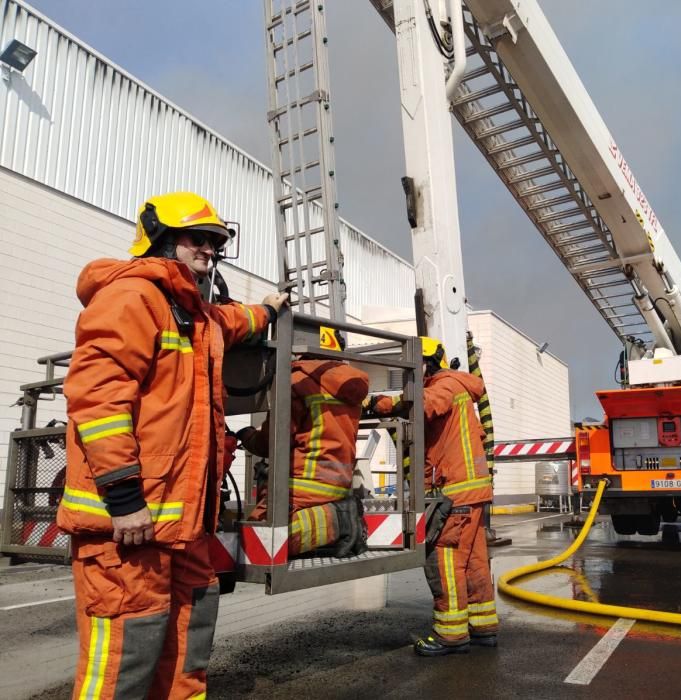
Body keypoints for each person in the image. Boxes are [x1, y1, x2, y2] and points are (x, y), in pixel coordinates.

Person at [57, 191, 288, 699]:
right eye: (196, 239)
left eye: (215, 242)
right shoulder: (131, 297)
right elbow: (97, 402)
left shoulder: (196, 315)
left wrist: (268, 309)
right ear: (161, 241)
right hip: (130, 526)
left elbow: (233, 321)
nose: (208, 250)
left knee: (188, 644)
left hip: (182, 526)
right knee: (124, 658)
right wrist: (123, 499)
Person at [369, 337, 498, 656]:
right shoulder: (459, 387)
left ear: (424, 364)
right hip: (470, 490)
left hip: (453, 492)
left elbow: (420, 405)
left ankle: (450, 635)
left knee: (446, 560)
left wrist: (380, 404)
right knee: (473, 562)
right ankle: (483, 627)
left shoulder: (444, 387)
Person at [239, 327, 370, 557]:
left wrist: (248, 436)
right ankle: (339, 516)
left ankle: (340, 520)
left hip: (305, 482)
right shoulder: (350, 386)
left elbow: (274, 440)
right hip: (339, 484)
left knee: (260, 538)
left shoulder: (296, 381)